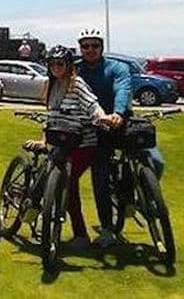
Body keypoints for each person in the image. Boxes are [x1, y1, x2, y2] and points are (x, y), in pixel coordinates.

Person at [25, 45, 110, 250]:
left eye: (60, 64)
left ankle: (80, 235)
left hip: (82, 144)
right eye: (52, 64)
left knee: (68, 182)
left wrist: (102, 117)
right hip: (60, 143)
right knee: (50, 174)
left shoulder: (77, 84)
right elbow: (51, 118)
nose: (56, 68)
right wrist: (43, 141)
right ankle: (34, 207)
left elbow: (92, 104)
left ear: (69, 65)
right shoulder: (51, 86)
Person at [74, 27, 141, 248]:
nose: (90, 50)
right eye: (85, 46)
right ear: (80, 48)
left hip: (119, 120)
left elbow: (122, 88)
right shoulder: (76, 69)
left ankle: (137, 197)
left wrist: (119, 113)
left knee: (153, 161)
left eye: (95, 45)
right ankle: (106, 229)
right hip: (95, 127)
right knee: (100, 175)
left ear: (102, 47)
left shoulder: (117, 67)